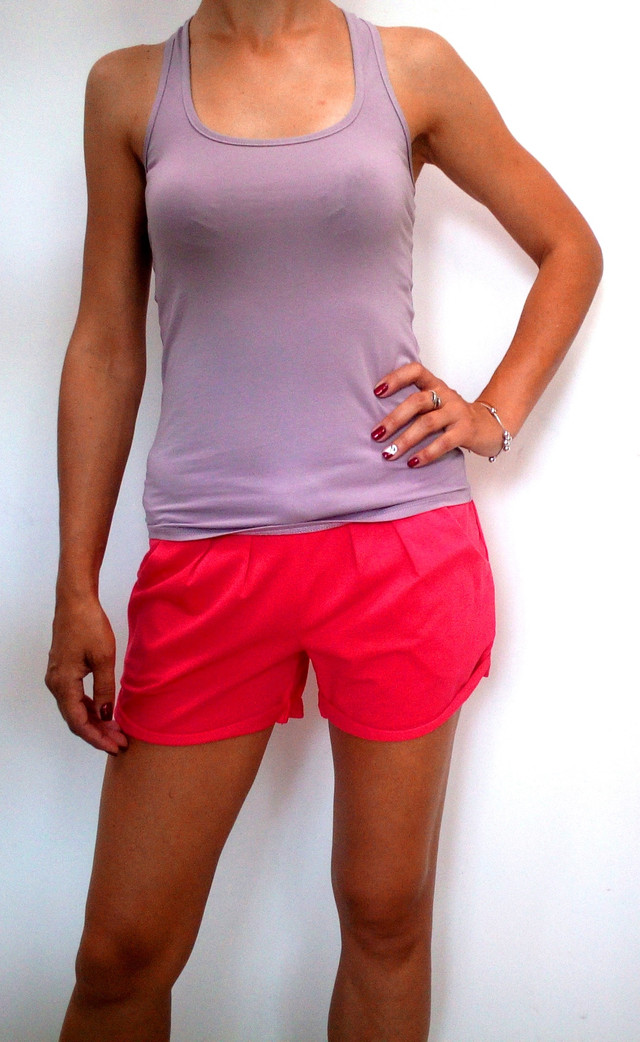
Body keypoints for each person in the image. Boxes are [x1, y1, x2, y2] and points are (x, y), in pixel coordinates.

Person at [44, 0, 602, 1039]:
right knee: (119, 955)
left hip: (399, 552)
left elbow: (570, 246)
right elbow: (106, 341)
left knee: (384, 915)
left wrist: (492, 414)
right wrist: (75, 582)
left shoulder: (412, 68)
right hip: (209, 561)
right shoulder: (128, 89)